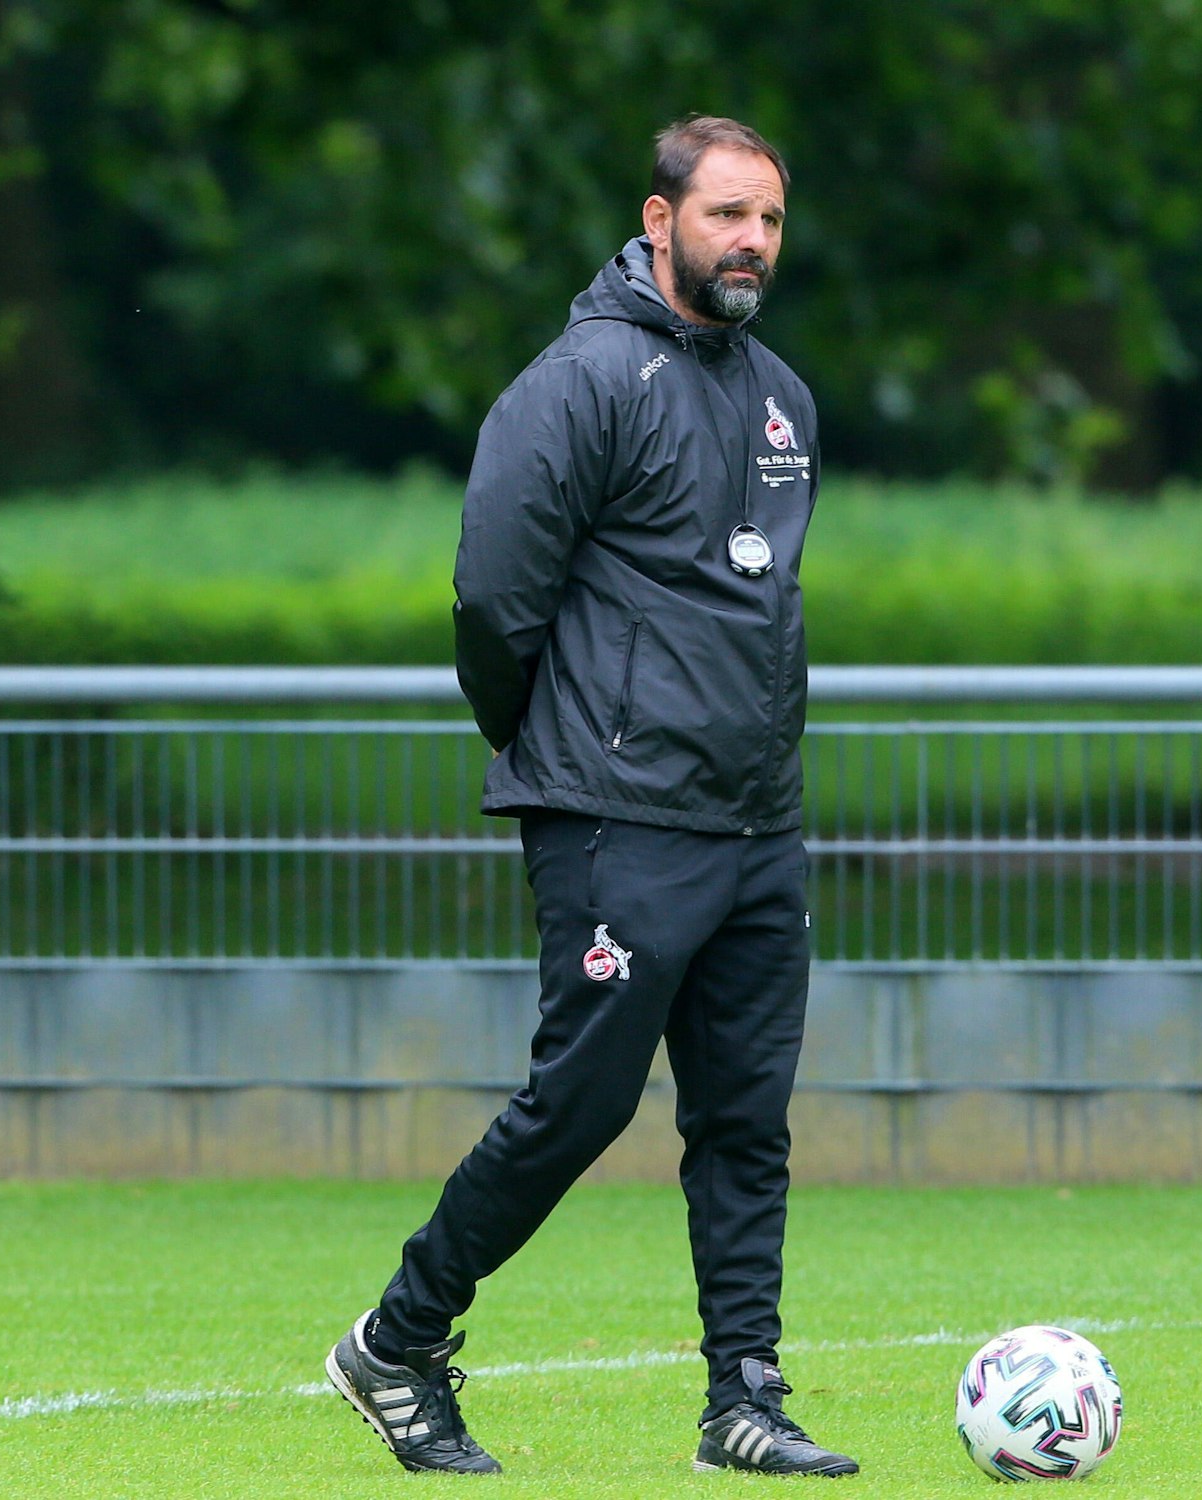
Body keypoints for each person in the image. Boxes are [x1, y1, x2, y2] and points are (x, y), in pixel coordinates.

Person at [324, 115, 856, 1479]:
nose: (752, 243)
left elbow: (759, 607)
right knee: (581, 1103)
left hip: (754, 822)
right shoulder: (577, 383)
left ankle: (745, 1397)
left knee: (745, 1121)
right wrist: (562, 753)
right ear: (660, 215)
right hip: (617, 815)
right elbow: (492, 600)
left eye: (771, 222)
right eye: (729, 214)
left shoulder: (785, 396)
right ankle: (397, 1341)